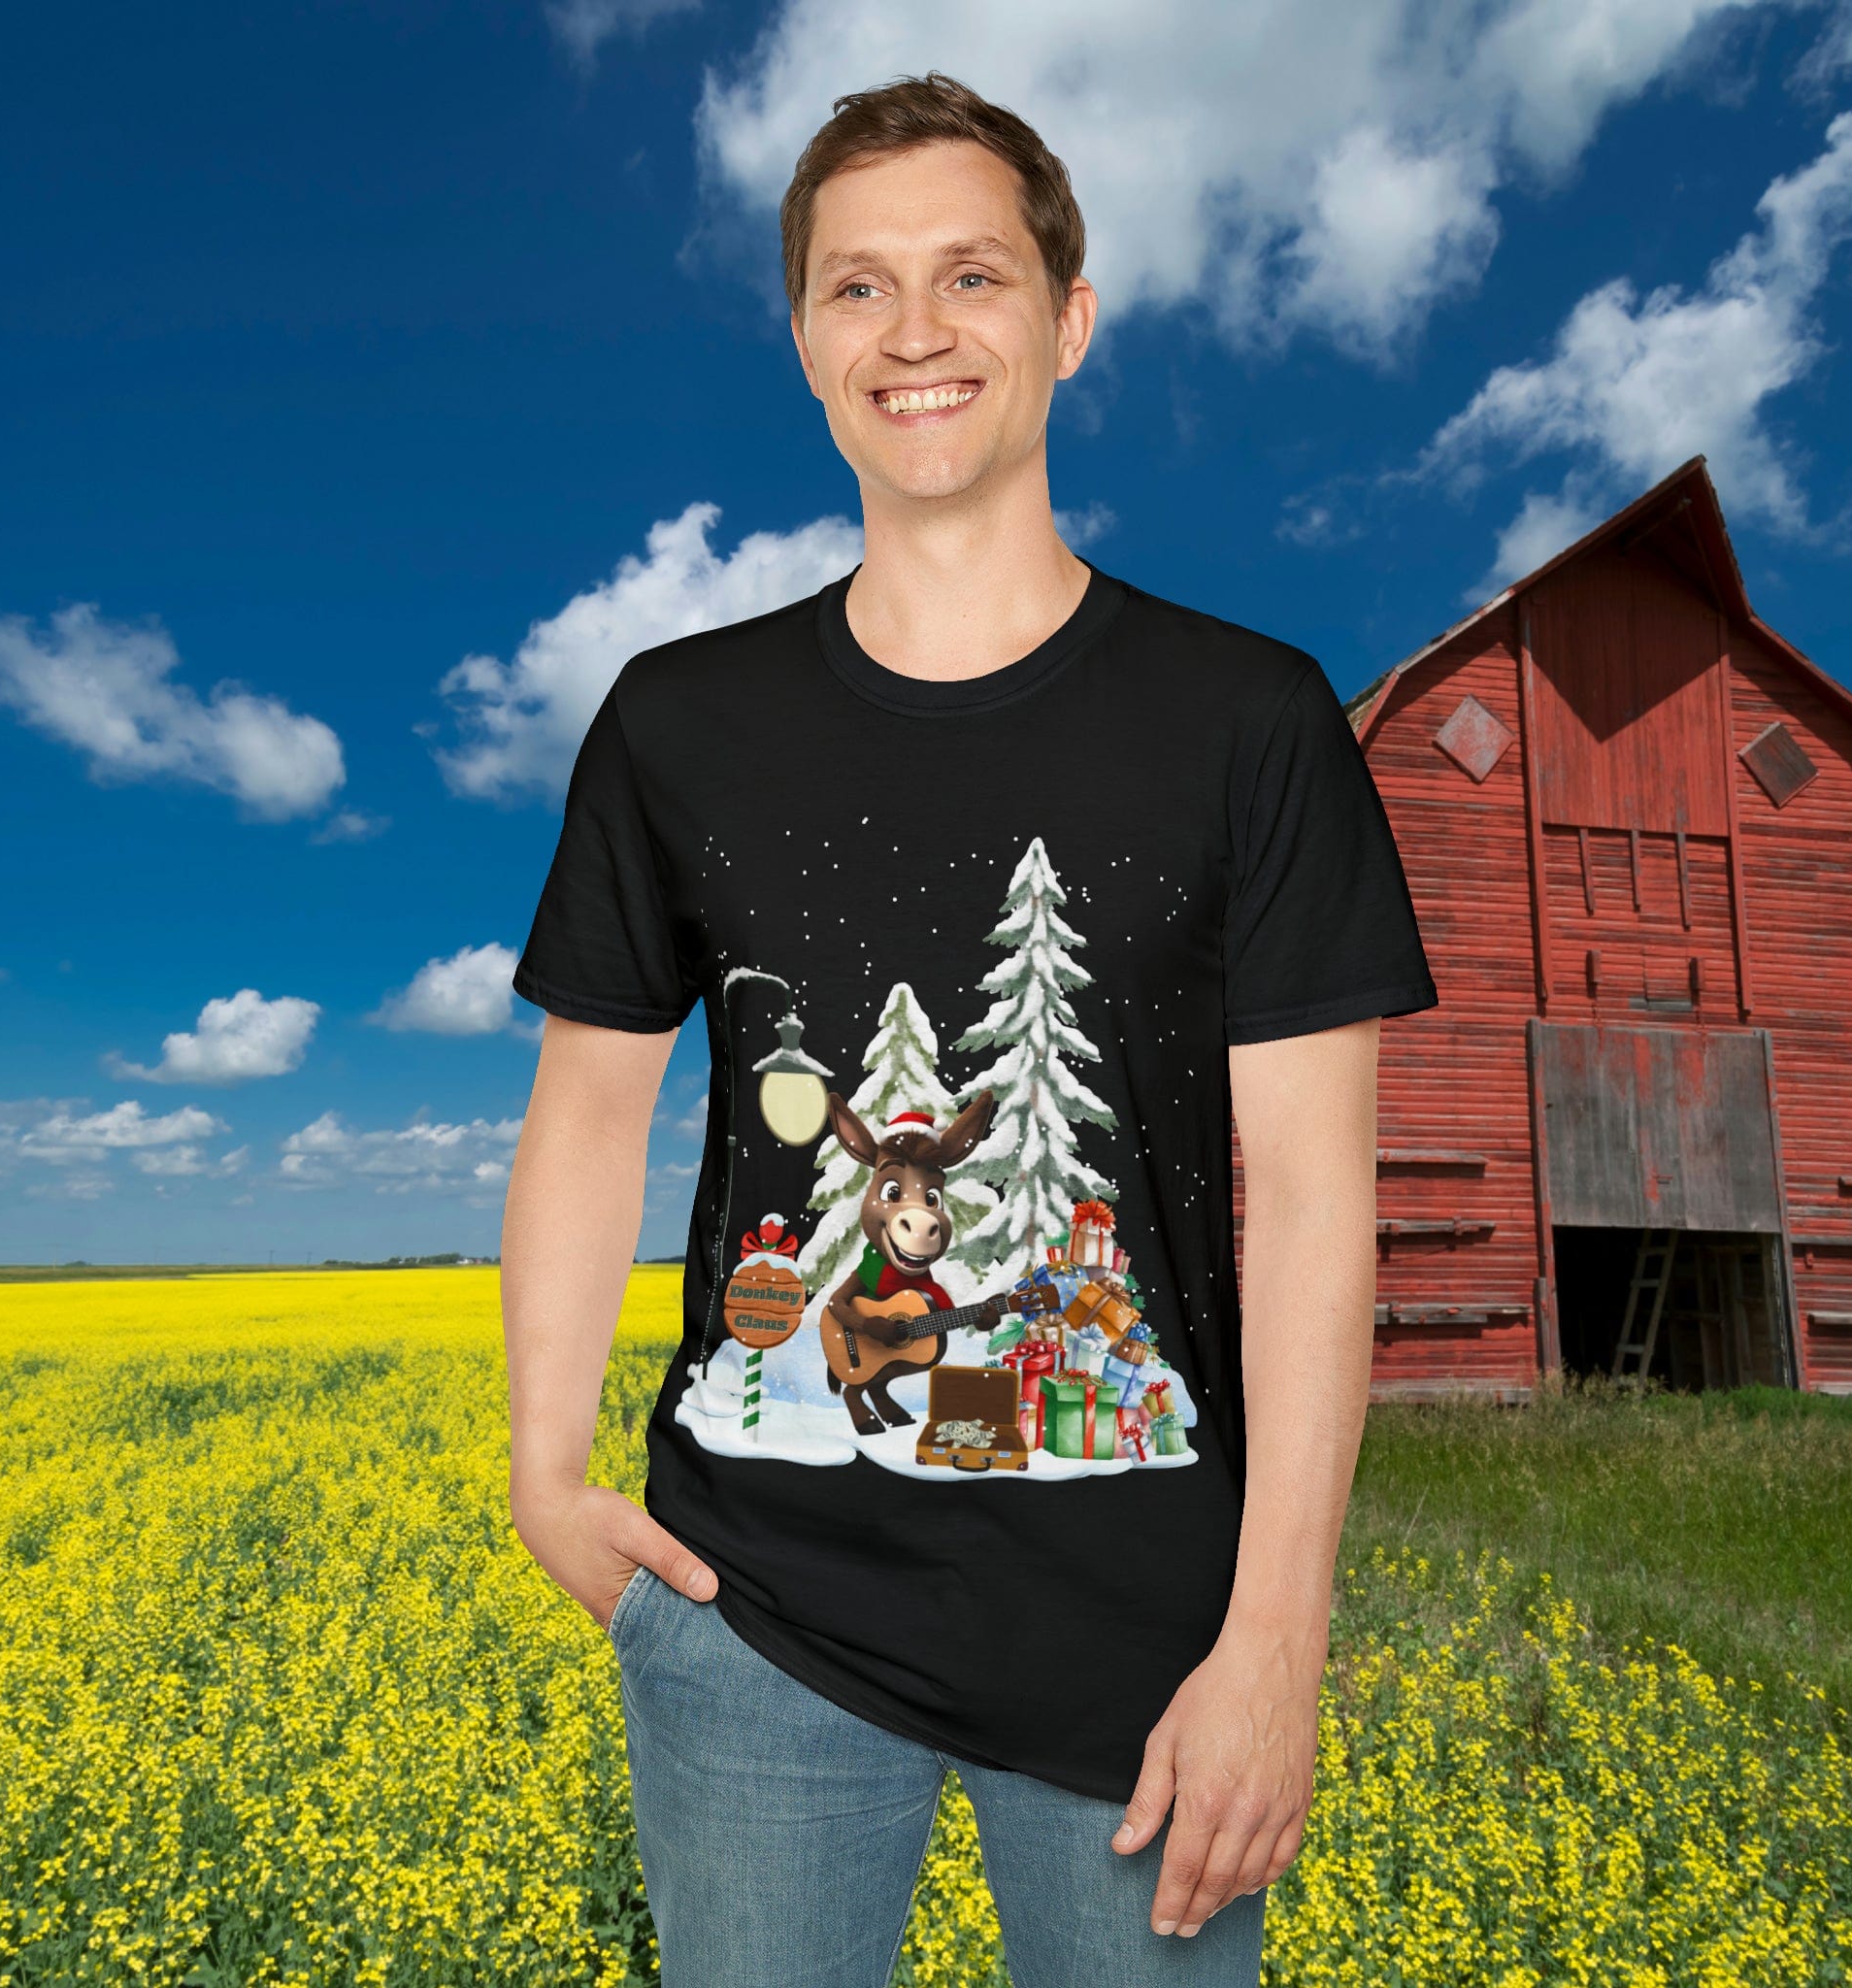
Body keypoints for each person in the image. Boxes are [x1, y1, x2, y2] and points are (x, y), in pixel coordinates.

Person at [503, 70, 1437, 1987]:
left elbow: (1318, 1199)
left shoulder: (1251, 719)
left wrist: (1276, 1640)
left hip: (1153, 1648)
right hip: (746, 1624)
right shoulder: (676, 723)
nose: (913, 333)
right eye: (857, 288)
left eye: (970, 277)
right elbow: (591, 1109)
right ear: (803, 345)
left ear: (1066, 320)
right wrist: (541, 1463)